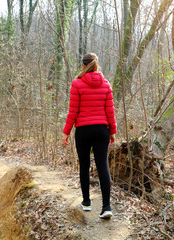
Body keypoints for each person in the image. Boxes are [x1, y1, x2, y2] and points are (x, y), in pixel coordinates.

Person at [62, 53, 117, 219]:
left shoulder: (77, 84)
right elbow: (110, 112)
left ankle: (86, 202)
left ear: (82, 66)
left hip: (83, 131)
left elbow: (73, 112)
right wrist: (113, 132)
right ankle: (107, 207)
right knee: (102, 167)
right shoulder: (106, 85)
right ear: (96, 66)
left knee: (84, 165)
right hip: (102, 130)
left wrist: (66, 131)